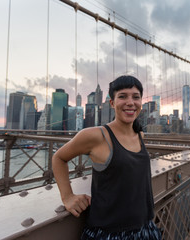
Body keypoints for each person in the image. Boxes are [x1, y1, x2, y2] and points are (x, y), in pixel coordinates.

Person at [52, 75, 161, 239]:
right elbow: (59, 158)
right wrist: (67, 197)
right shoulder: (96, 135)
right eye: (122, 96)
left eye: (136, 97)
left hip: (145, 228)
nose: (130, 102)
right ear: (112, 103)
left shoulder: (140, 135)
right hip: (109, 233)